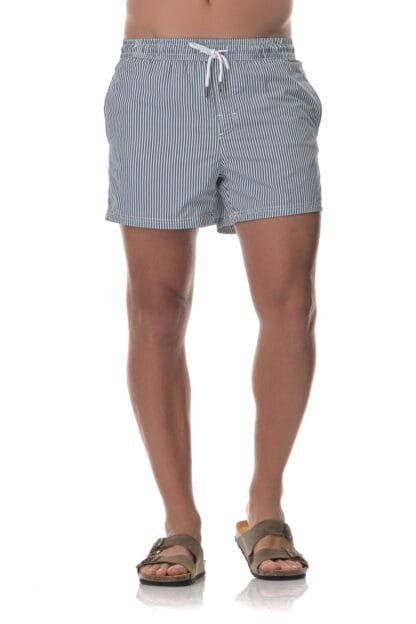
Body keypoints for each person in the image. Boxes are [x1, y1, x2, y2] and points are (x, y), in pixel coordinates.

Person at [103, 0, 322, 585]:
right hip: (155, 81)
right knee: (157, 310)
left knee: (291, 306)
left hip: (265, 79)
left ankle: (266, 509)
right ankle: (180, 523)